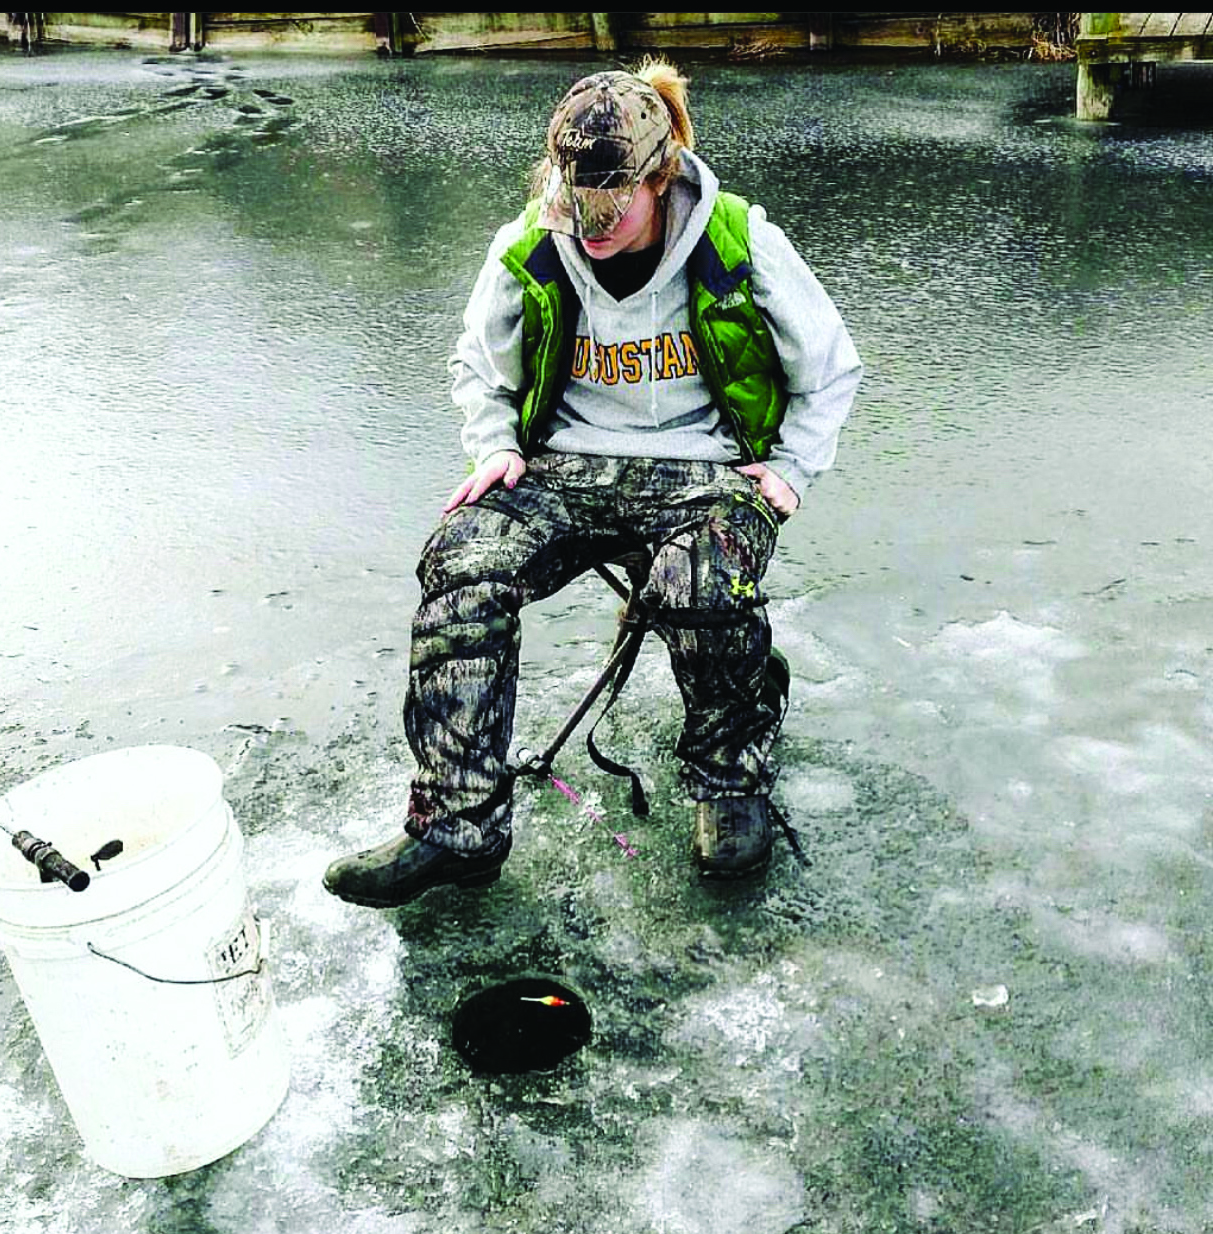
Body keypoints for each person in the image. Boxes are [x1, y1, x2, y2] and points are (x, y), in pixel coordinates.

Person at [325, 59, 861, 908]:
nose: (591, 227)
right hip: (565, 468)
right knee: (460, 565)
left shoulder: (740, 239)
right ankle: (458, 826)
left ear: (661, 178)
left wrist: (790, 470)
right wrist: (495, 444)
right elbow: (479, 363)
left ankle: (730, 786)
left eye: (611, 207)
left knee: (702, 576)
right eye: (577, 204)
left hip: (709, 469)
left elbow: (830, 366)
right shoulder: (532, 243)